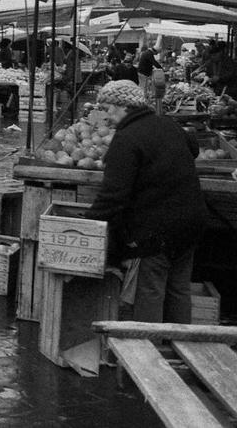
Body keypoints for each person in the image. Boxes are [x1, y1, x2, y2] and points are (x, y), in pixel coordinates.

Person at [85, 80, 207, 324]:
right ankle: (179, 350)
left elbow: (113, 195)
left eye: (107, 108)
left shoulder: (127, 139)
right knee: (179, 289)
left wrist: (87, 225)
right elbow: (193, 148)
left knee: (150, 291)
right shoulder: (168, 124)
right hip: (191, 223)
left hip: (156, 230)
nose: (105, 117)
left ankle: (148, 354)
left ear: (124, 107)